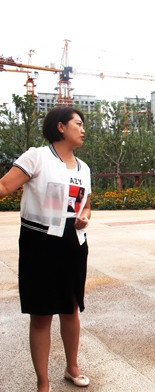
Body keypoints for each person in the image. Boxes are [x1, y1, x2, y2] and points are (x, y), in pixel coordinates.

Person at [0, 106, 93, 392]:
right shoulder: (37, 157)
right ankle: (43, 383)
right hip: (39, 243)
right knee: (41, 314)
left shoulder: (84, 168)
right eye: (78, 124)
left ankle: (72, 367)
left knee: (71, 309)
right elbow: (4, 187)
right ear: (61, 127)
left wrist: (85, 216)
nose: (83, 129)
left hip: (73, 244)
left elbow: (86, 205)